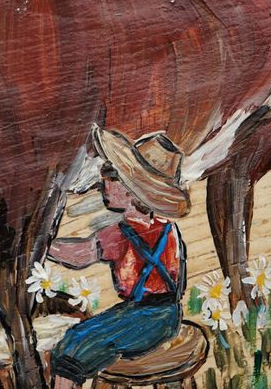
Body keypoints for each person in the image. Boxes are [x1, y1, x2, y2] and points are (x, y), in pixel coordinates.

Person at [46, 125, 191, 389]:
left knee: (72, 345)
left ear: (132, 192)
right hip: (169, 316)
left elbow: (78, 255)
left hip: (141, 319)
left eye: (113, 177)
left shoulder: (118, 234)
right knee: (95, 333)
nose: (105, 184)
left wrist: (43, 245)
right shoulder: (169, 229)